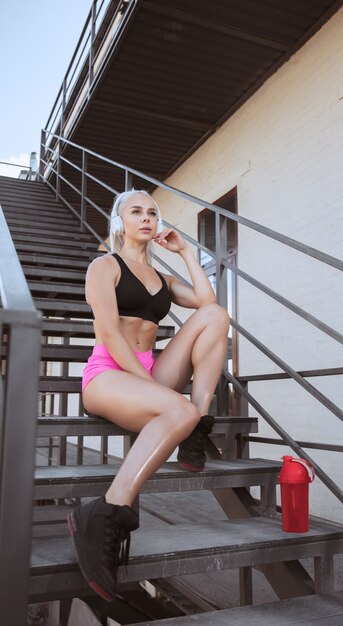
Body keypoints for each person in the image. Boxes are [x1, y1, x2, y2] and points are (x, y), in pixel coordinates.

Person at [67, 189, 229, 601]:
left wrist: (184, 252)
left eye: (153, 213)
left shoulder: (160, 278)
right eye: (136, 211)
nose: (146, 218)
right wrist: (149, 383)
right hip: (108, 374)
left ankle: (197, 423)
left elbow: (205, 302)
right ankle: (104, 511)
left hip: (148, 373)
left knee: (216, 316)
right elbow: (107, 332)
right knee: (177, 409)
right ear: (119, 221)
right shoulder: (104, 266)